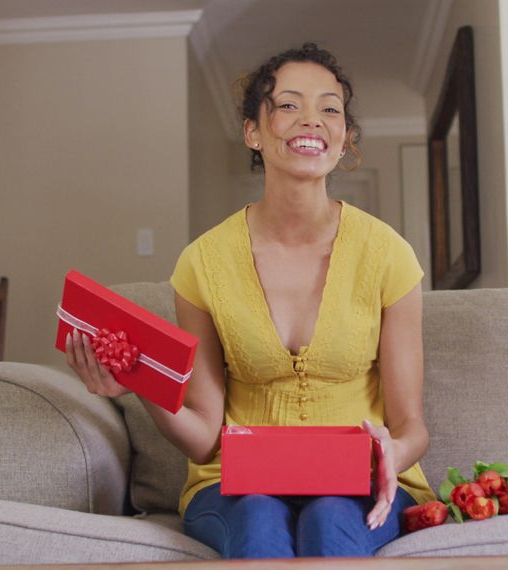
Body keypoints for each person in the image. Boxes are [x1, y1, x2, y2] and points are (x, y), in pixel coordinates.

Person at [65, 43, 434, 558]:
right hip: (236, 486)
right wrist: (135, 382)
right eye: (288, 105)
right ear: (252, 132)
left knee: (330, 518)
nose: (313, 120)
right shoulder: (202, 263)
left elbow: (411, 426)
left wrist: (389, 453)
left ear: (345, 136)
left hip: (357, 483)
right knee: (259, 518)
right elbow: (202, 437)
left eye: (330, 108)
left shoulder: (388, 254)